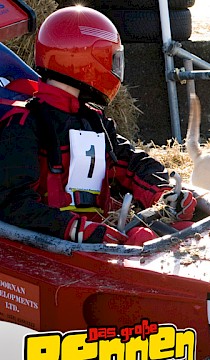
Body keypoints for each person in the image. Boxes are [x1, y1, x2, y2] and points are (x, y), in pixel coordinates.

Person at [0, 6, 196, 246]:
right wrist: (76, 230)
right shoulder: (23, 125)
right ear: (86, 61)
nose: (115, 69)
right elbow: (13, 203)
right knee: (142, 241)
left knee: (183, 230)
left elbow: (131, 161)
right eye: (112, 59)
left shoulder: (93, 119)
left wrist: (163, 192)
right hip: (55, 247)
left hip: (100, 233)